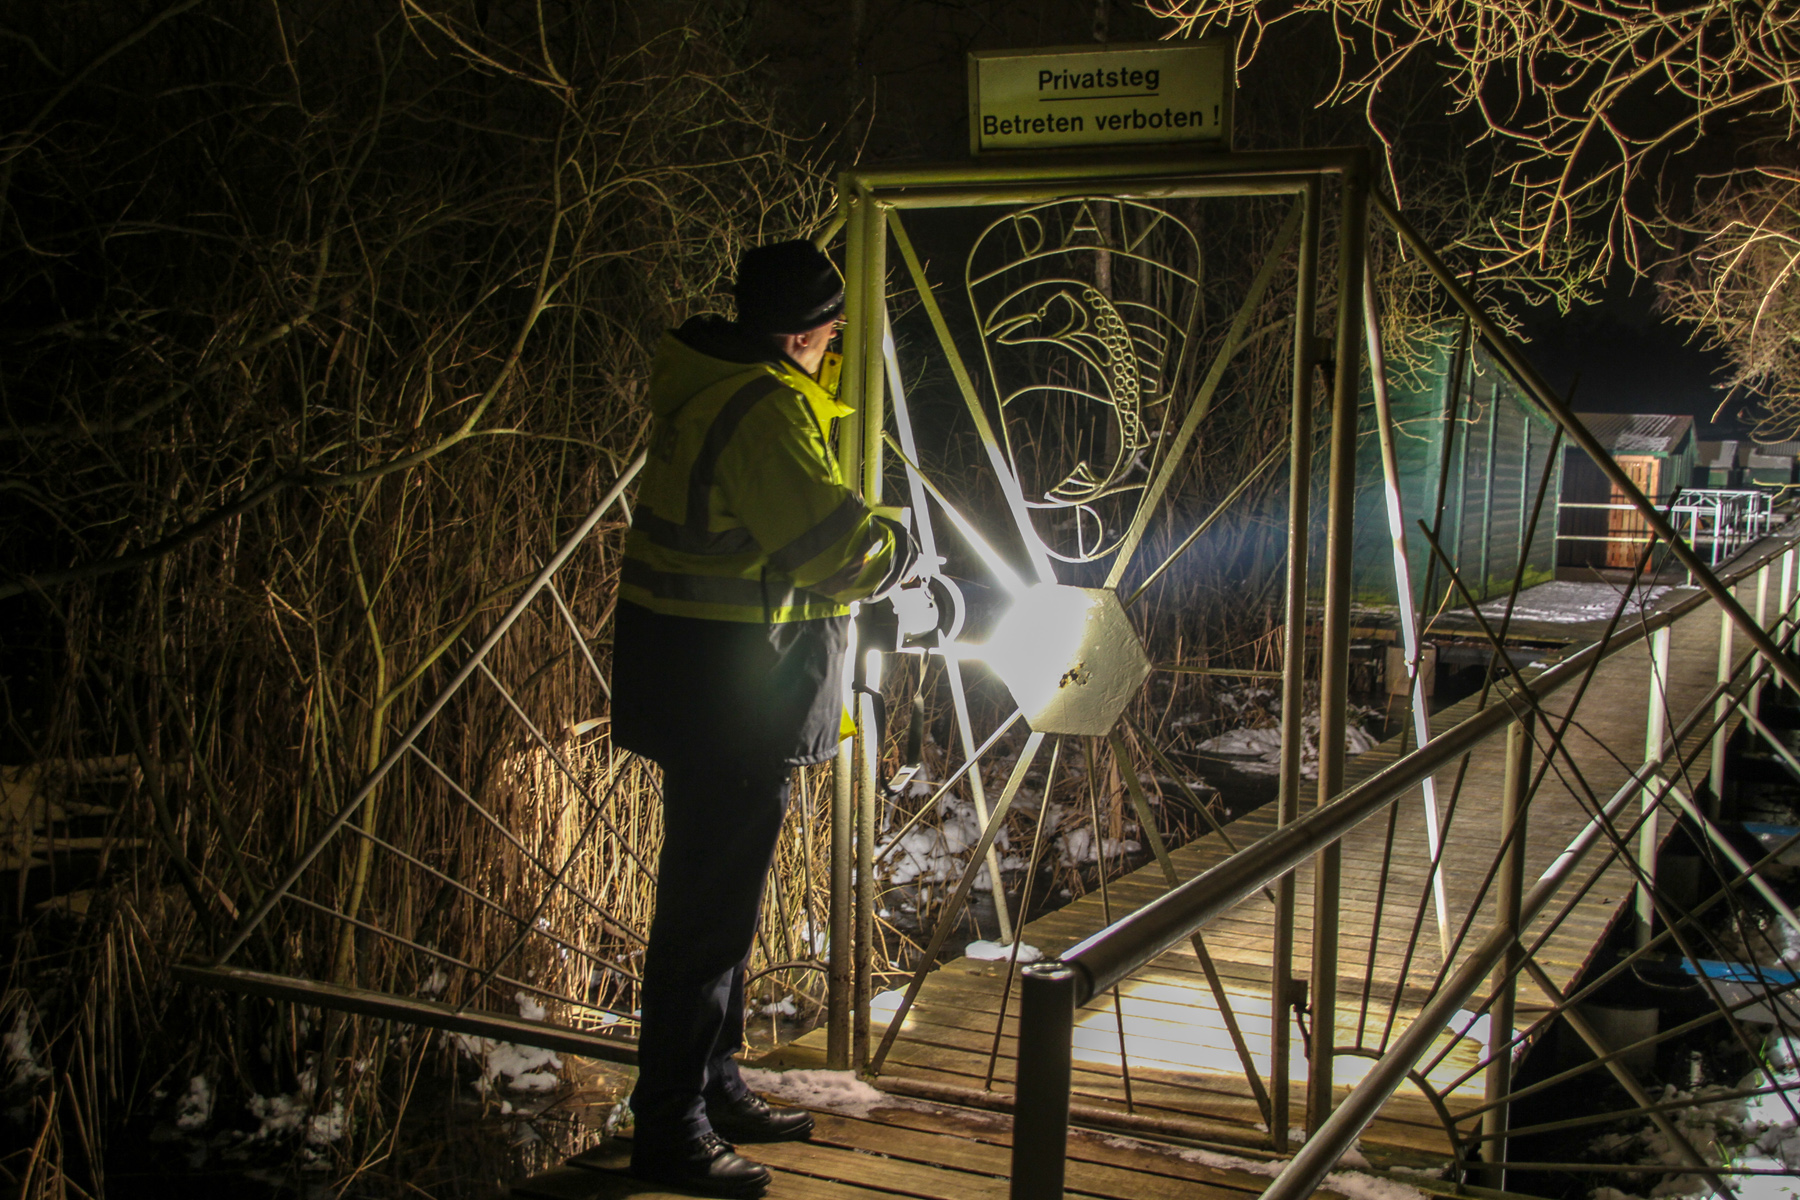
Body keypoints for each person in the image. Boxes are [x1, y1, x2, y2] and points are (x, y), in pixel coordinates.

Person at [609, 239, 916, 1196]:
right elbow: (834, 552)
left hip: (705, 684)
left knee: (718, 904)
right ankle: (673, 1123)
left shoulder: (719, 390)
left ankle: (715, 1085)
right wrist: (898, 547)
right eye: (829, 336)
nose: (832, 351)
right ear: (801, 334)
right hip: (732, 694)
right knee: (706, 916)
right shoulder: (764, 410)